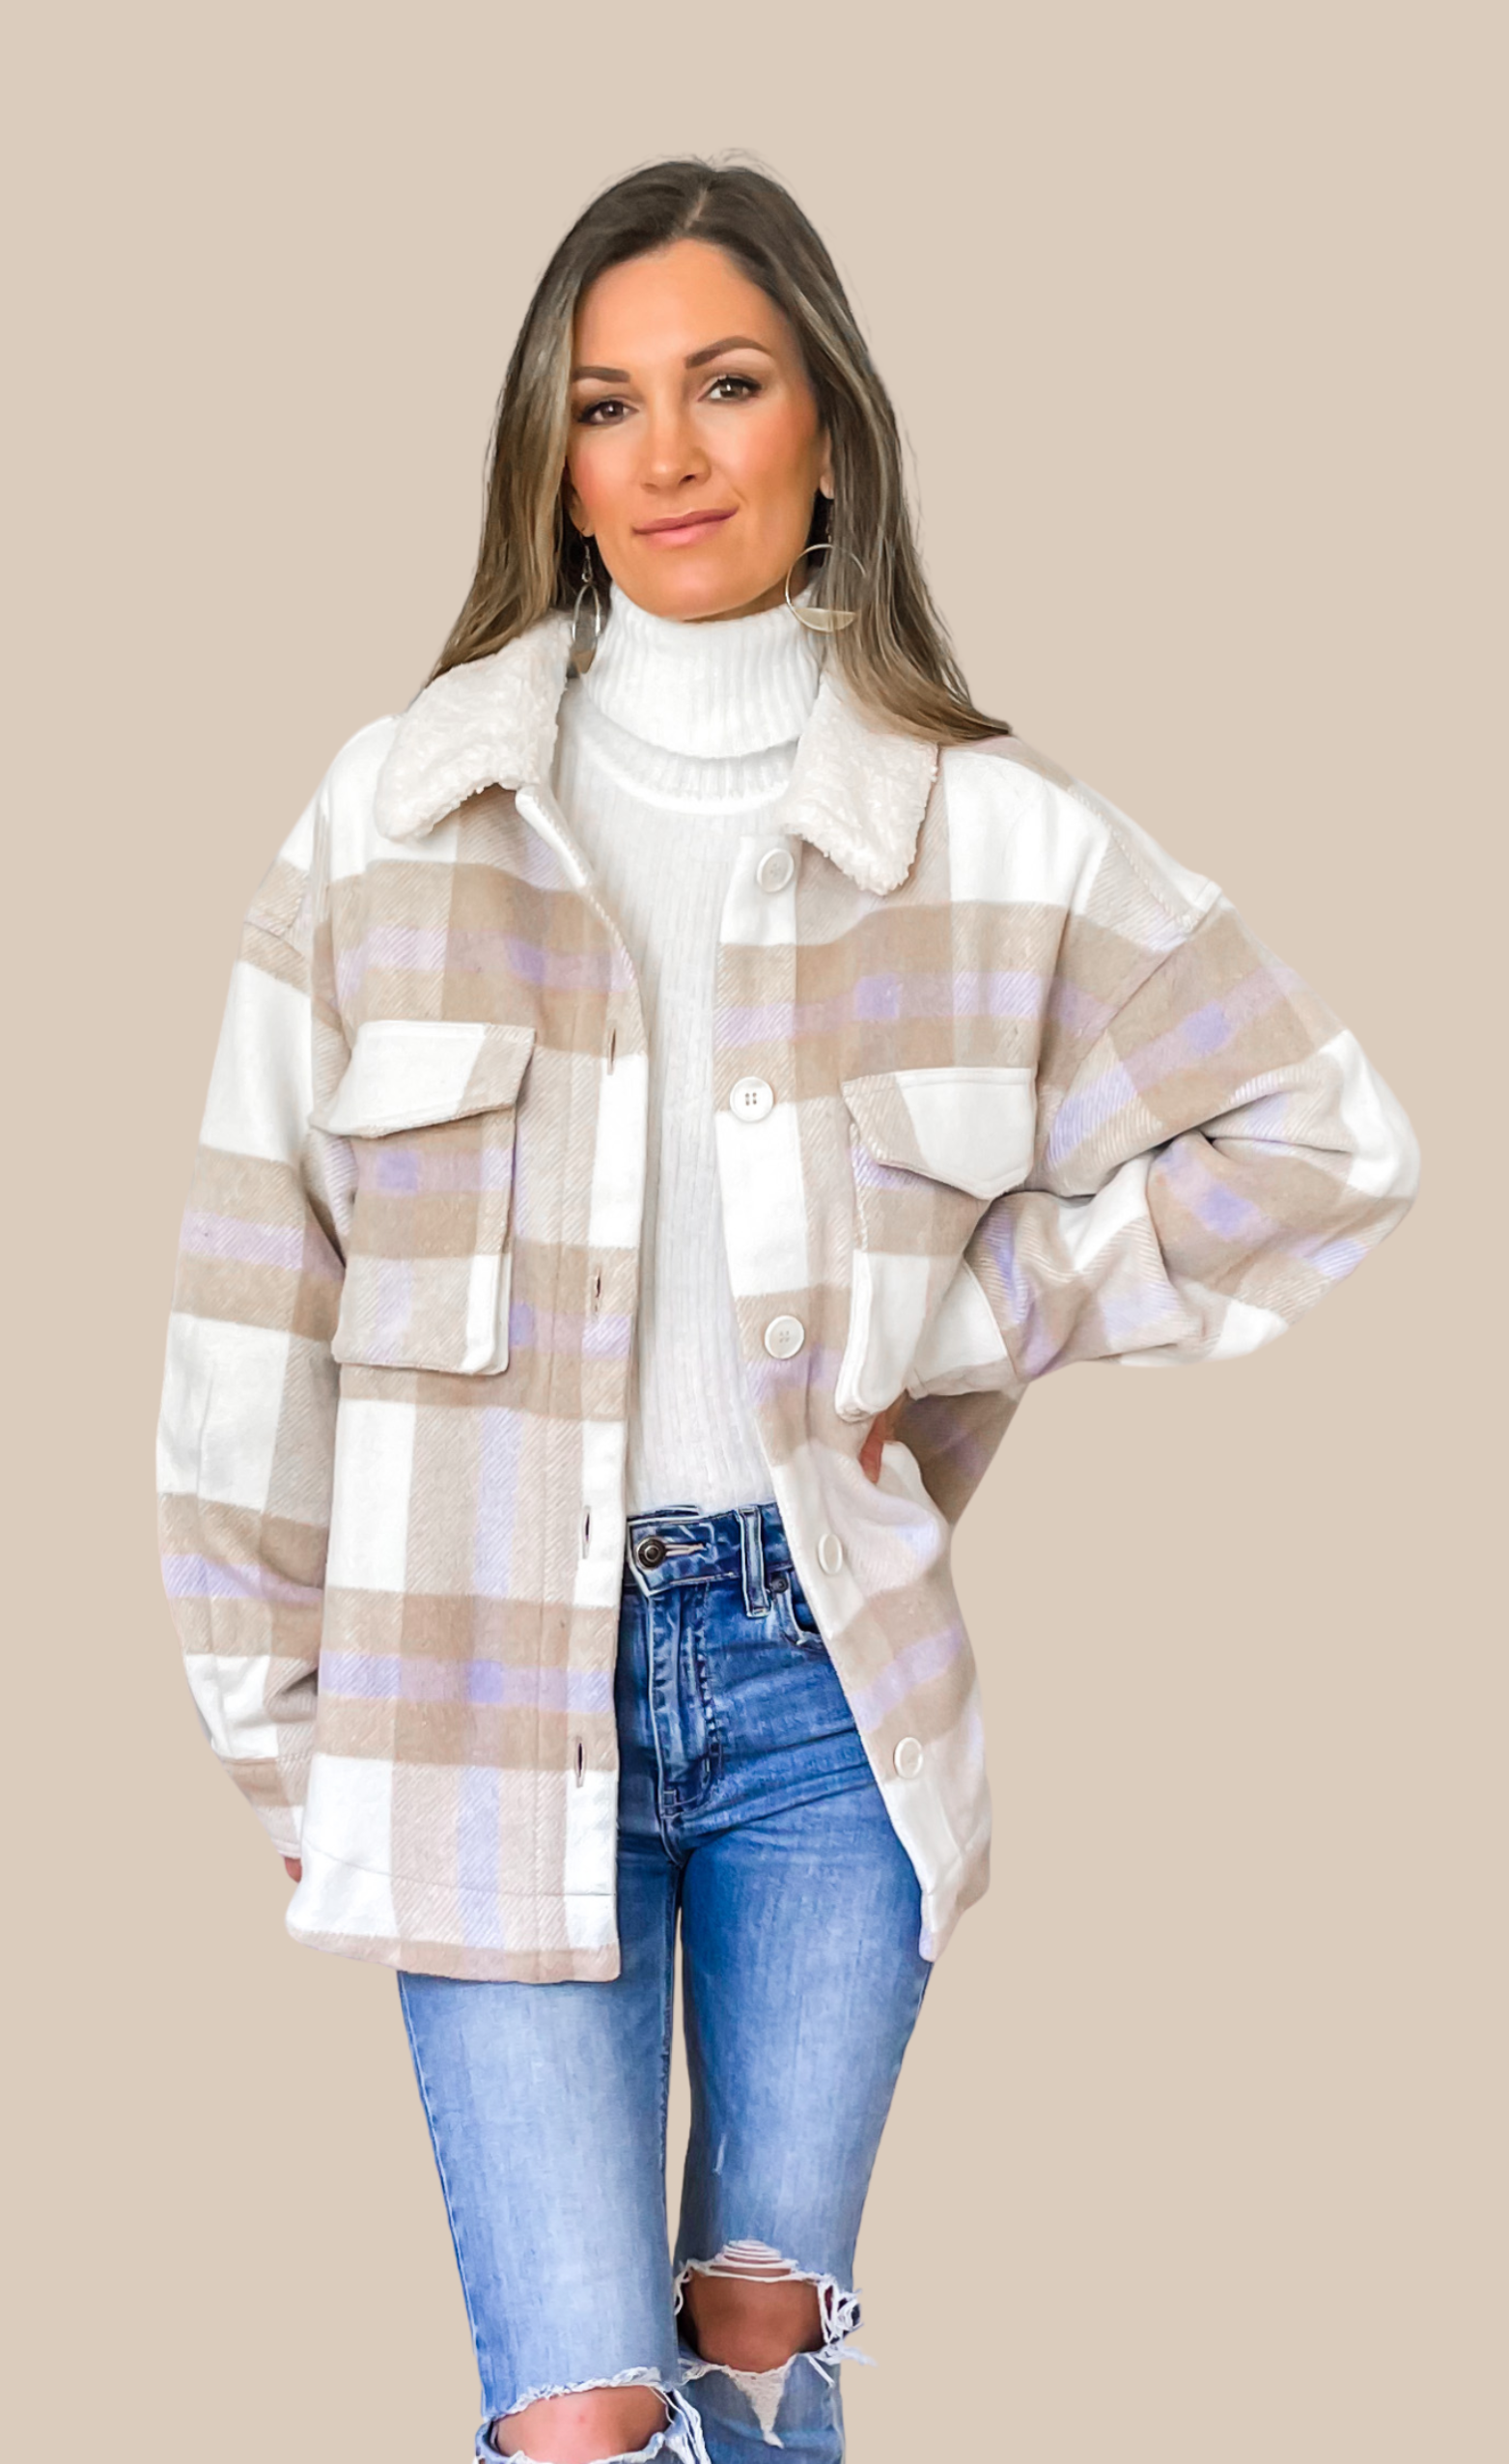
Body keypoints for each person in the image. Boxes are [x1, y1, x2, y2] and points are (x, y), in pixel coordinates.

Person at [155, 157, 1420, 2464]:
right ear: (550, 456)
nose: (665, 452)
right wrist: (280, 1731)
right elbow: (255, 1293)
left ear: (828, 423)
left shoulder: (988, 837)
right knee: (579, 2414)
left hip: (824, 1687)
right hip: (466, 1689)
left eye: (724, 385)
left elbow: (1322, 1140)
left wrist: (977, 1306)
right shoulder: (392, 818)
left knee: (757, 2355)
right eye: (604, 402)